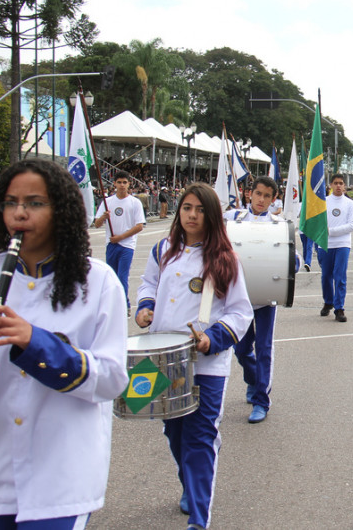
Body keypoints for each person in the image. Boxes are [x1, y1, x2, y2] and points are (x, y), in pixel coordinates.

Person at [0, 159, 129, 529]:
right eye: (10, 202)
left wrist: (35, 343)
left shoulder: (98, 282)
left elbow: (112, 379)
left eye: (35, 203)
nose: (19, 213)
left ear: (61, 210)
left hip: (63, 475)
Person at [136, 182, 253, 529]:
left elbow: (240, 312)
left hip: (206, 365)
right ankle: (189, 482)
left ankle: (199, 520)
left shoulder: (225, 259)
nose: (192, 215)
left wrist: (212, 339)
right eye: (187, 208)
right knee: (173, 432)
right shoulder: (162, 249)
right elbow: (147, 282)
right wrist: (145, 307)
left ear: (212, 215)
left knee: (199, 438)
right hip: (160, 358)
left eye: (201, 210)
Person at [222, 176, 284, 424]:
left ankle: (261, 400)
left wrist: (292, 262)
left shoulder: (279, 224)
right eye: (258, 193)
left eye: (267, 196)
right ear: (250, 194)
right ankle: (253, 378)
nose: (261, 199)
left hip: (266, 297)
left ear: (273, 199)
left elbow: (294, 257)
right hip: (239, 297)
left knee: (264, 348)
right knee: (240, 349)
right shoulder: (233, 219)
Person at [93, 170, 146, 312]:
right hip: (111, 245)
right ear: (114, 184)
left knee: (122, 277)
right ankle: (112, 304)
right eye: (119, 182)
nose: (122, 185)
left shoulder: (135, 202)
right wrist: (103, 217)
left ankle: (124, 305)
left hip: (126, 245)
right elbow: (97, 224)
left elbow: (139, 226)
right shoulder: (107, 202)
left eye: (124, 182)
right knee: (111, 277)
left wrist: (121, 237)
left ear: (129, 184)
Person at [319, 174, 353, 323]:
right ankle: (328, 301)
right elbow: (318, 222)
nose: (338, 186)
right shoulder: (323, 202)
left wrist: (332, 231)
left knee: (339, 276)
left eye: (341, 183)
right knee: (326, 276)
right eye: (335, 183)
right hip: (325, 244)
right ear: (331, 185)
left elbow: (352, 225)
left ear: (344, 185)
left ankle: (339, 307)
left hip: (342, 244)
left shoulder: (349, 203)